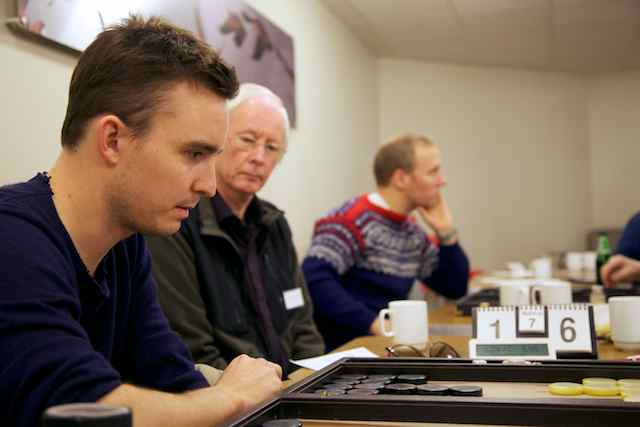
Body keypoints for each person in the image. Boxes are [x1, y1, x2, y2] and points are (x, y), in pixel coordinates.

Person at [0, 16, 282, 427]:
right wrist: (231, 395)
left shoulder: (125, 245)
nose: (209, 185)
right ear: (112, 139)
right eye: (194, 154)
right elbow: (82, 409)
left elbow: (171, 377)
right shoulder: (11, 238)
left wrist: (220, 400)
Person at [146, 83, 324, 377]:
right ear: (217, 140)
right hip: (226, 393)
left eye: (271, 148)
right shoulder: (176, 220)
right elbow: (193, 349)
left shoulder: (275, 224)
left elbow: (303, 326)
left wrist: (312, 379)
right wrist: (270, 390)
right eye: (248, 140)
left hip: (292, 389)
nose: (258, 157)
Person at [302, 134, 470, 349]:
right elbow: (312, 279)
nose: (442, 181)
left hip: (386, 347)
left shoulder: (411, 232)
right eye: (433, 172)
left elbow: (455, 288)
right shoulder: (350, 220)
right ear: (401, 179)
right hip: (347, 350)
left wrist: (446, 232)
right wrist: (372, 323)